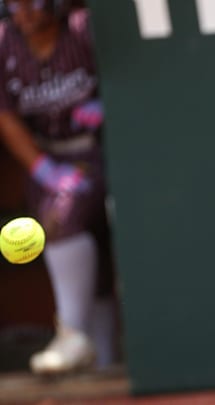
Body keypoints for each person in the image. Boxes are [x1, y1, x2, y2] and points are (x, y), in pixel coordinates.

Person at [0, 0, 118, 374]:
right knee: (62, 222)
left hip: (102, 151)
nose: (25, 12)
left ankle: (80, 339)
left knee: (96, 244)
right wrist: (43, 167)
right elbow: (4, 116)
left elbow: (132, 78)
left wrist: (106, 105)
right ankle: (86, 346)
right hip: (48, 161)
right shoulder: (4, 43)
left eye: (33, 1)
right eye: (14, 3)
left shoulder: (83, 29)